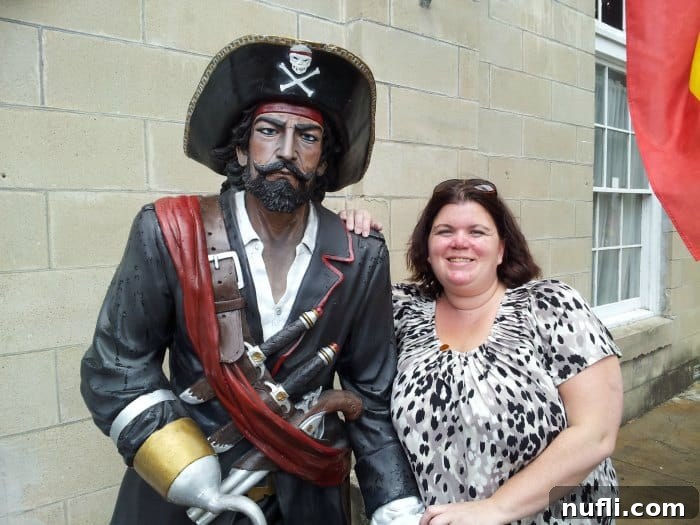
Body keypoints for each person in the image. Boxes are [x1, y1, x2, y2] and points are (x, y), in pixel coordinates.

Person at [80, 35, 422, 525]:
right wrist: (184, 468)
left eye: (307, 136)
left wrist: (394, 505)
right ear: (241, 149)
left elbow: (370, 395)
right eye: (269, 130)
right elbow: (116, 367)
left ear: (323, 160)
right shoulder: (171, 232)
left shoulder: (361, 254)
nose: (286, 150)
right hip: (186, 499)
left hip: (305, 499)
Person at [343, 178, 623, 525]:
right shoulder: (400, 312)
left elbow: (596, 434)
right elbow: (338, 297)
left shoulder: (552, 306)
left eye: (477, 231)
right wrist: (349, 236)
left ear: (502, 248)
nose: (460, 242)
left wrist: (495, 509)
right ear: (427, 248)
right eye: (445, 231)